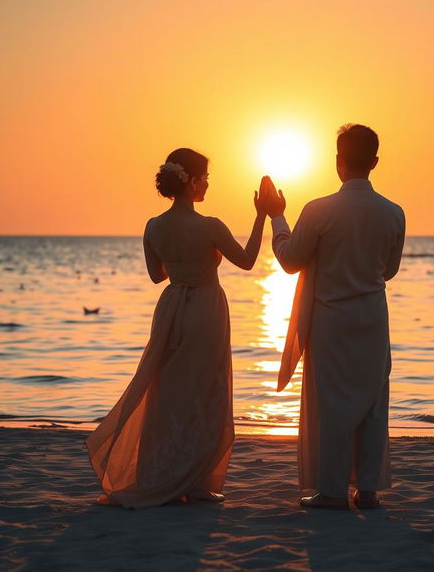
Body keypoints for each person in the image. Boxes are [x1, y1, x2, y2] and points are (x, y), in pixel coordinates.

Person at [86, 148, 270, 509]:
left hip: (170, 309)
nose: (208, 185)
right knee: (206, 390)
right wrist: (261, 215)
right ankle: (199, 482)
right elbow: (247, 261)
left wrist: (181, 261)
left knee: (166, 391)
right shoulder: (210, 225)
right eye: (206, 178)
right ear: (195, 180)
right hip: (205, 308)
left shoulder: (153, 226)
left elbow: (158, 276)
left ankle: (161, 472)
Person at [263, 124, 405, 510]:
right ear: (375, 161)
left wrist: (277, 217)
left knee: (331, 405)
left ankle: (331, 491)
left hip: (330, 320)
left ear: (338, 161)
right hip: (373, 317)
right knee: (373, 402)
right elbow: (388, 270)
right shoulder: (394, 213)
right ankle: (369, 489)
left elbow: (291, 261)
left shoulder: (318, 209)